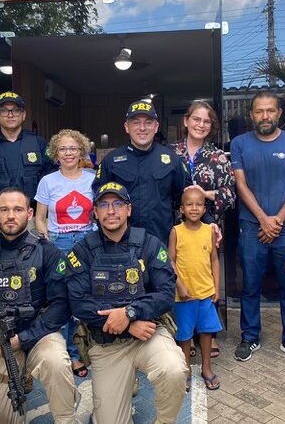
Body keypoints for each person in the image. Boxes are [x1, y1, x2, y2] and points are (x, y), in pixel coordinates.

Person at [62, 182, 188, 424]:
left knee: (173, 369)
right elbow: (78, 303)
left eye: (118, 204)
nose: (111, 211)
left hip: (147, 333)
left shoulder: (149, 244)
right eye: (104, 205)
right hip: (106, 343)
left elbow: (165, 293)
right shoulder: (82, 251)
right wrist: (127, 324)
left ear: (128, 209)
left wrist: (131, 312)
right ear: (95, 212)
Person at [0, 187, 77, 423]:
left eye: (17, 209)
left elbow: (61, 306)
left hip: (39, 333)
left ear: (29, 214)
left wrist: (22, 339)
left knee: (56, 362)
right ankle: (17, 379)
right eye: (4, 209)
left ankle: (66, 418)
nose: (10, 215)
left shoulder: (47, 252)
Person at [230, 90, 285, 364]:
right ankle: (249, 337)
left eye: (270, 111)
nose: (265, 116)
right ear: (251, 115)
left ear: (279, 113)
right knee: (250, 285)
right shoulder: (240, 143)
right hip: (252, 228)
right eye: (259, 111)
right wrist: (264, 219)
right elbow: (240, 184)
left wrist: (276, 221)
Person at [169, 100, 235, 358]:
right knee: (181, 273)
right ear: (186, 121)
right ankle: (185, 334)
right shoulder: (170, 153)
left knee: (205, 274)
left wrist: (208, 194)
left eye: (206, 121)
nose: (200, 125)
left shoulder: (218, 156)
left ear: (212, 126)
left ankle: (208, 332)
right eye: (196, 119)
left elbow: (230, 193)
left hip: (208, 228)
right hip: (178, 228)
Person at [34, 129, 96, 378]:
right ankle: (68, 353)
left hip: (87, 242)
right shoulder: (47, 181)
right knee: (64, 299)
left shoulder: (93, 178)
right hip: (58, 244)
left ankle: (95, 348)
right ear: (55, 154)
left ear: (81, 151)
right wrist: (47, 241)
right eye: (62, 149)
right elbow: (39, 219)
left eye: (73, 148)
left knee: (91, 294)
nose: (68, 153)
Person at [92, 99, 192, 243]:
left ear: (156, 126)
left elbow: (186, 195)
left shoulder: (172, 159)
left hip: (160, 241)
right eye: (136, 122)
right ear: (127, 127)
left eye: (148, 122)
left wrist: (206, 221)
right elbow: (98, 200)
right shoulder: (111, 161)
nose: (142, 128)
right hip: (120, 244)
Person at [0, 91, 55, 243]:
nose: (10, 114)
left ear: (23, 115)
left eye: (15, 110)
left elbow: (52, 185)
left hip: (33, 223)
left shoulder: (38, 143)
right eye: (4, 110)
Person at [169, 187, 222, 391]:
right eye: (189, 204)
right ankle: (186, 370)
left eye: (199, 204)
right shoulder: (176, 231)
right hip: (185, 296)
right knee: (185, 335)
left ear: (204, 207)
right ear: (182, 209)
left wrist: (216, 287)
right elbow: (171, 262)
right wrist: (179, 285)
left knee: (207, 333)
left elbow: (215, 260)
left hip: (206, 293)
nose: (194, 208)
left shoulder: (209, 231)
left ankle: (206, 368)